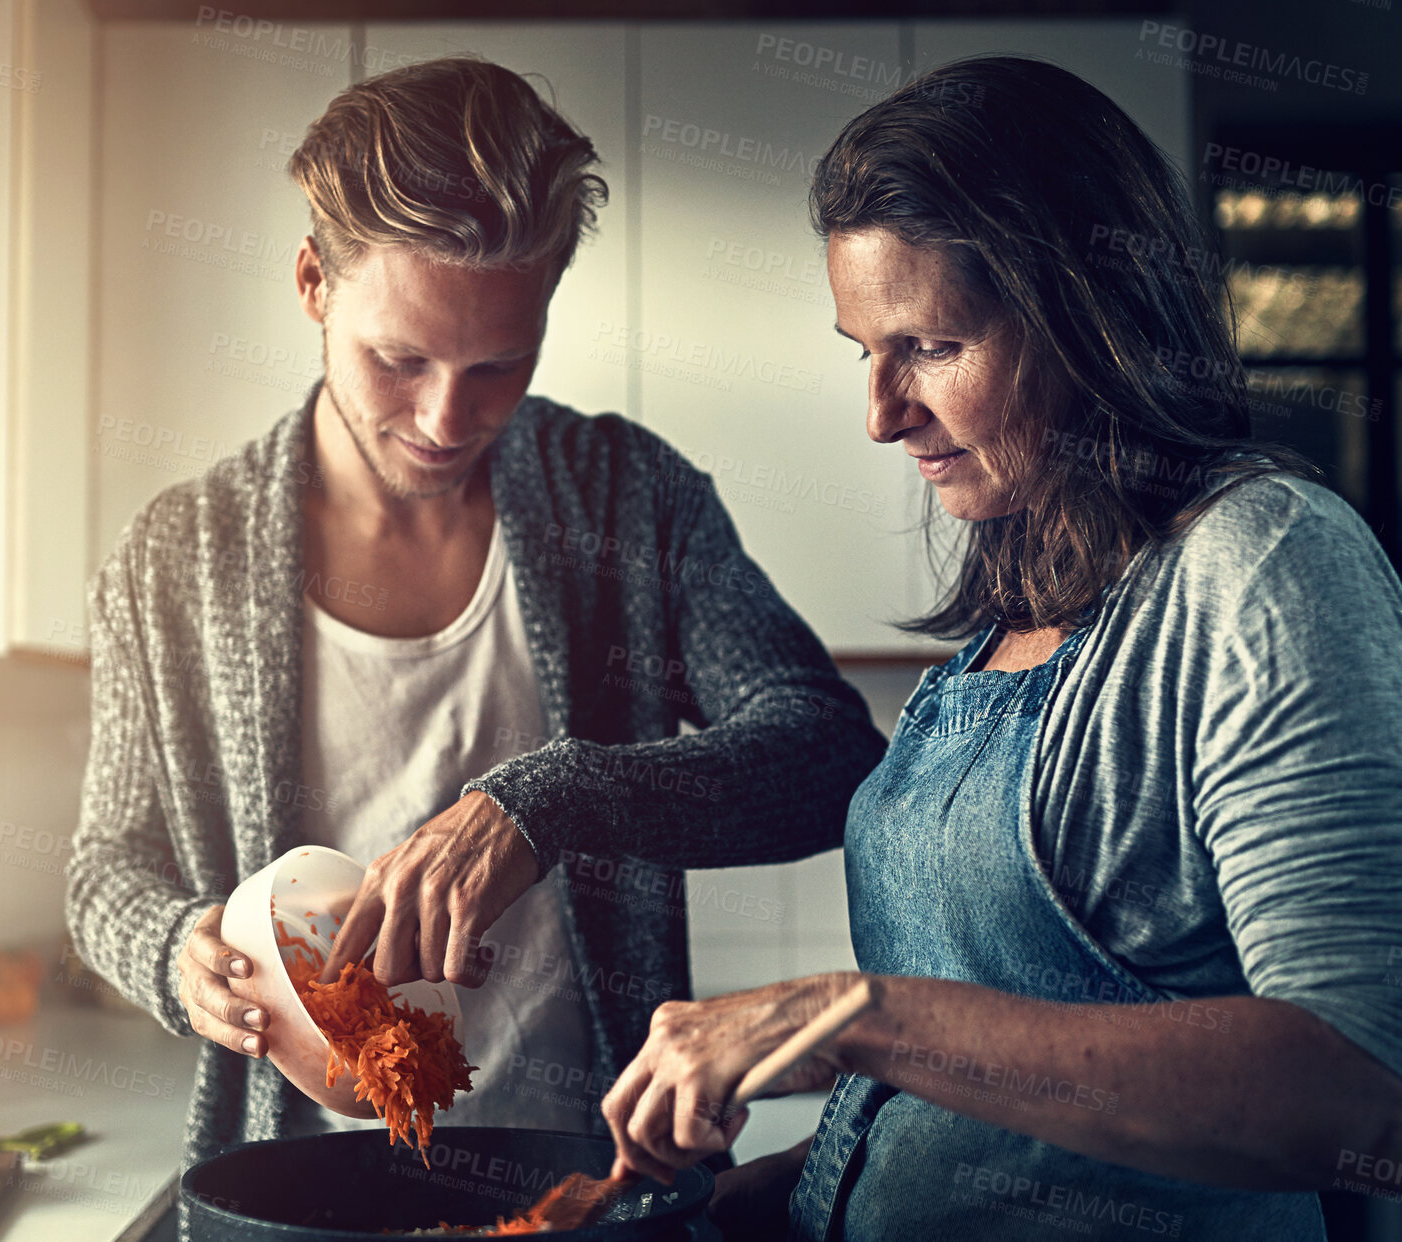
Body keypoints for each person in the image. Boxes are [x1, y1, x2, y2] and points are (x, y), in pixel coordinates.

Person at [599, 56, 1402, 1240]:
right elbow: (956, 1123)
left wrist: (854, 1012)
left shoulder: (1265, 564)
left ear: (1088, 317)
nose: (881, 413)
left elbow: (1356, 1098)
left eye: (928, 344)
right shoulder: (1013, 611)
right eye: (861, 349)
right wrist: (738, 1207)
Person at [64, 55, 882, 1196]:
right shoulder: (175, 558)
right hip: (297, 1183)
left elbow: (829, 752)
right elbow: (106, 867)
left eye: (501, 363)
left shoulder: (628, 497)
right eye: (399, 359)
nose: (449, 418)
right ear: (312, 284)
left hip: (593, 1176)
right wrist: (171, 952)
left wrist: (554, 797)